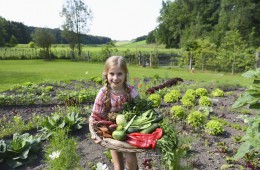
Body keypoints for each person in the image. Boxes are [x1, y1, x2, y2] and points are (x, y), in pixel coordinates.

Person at [90, 56, 139, 170]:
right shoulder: (103, 92)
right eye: (112, 74)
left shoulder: (131, 90)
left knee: (131, 160)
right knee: (118, 165)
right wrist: (94, 133)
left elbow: (141, 108)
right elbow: (95, 115)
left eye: (119, 74)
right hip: (111, 130)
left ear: (125, 74)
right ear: (106, 74)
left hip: (129, 130)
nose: (115, 78)